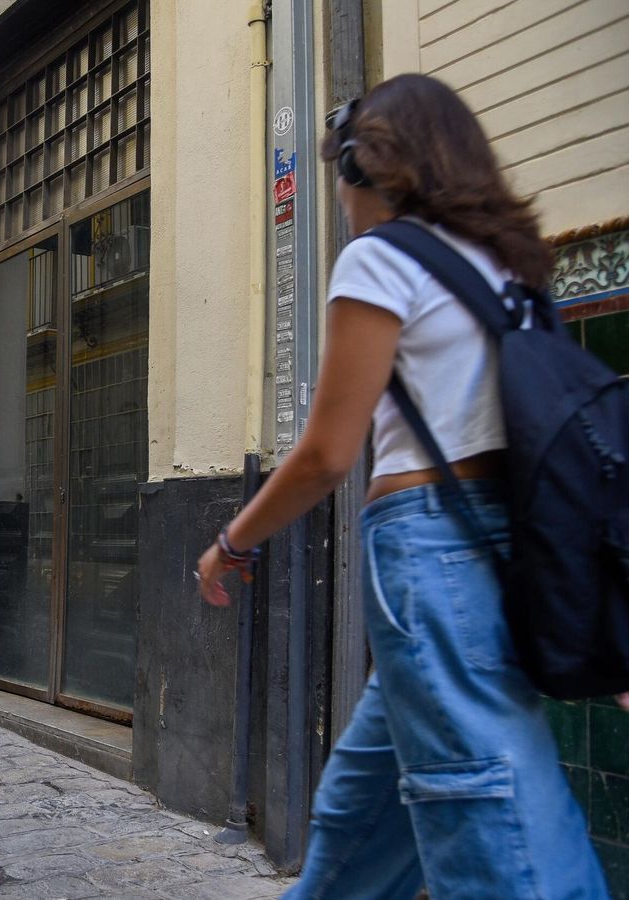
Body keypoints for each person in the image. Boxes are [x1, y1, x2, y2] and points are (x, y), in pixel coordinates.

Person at [195, 74, 615, 898]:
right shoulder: (509, 271)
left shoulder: (378, 259)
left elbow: (326, 454)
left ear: (366, 167)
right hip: (517, 546)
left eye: (338, 177)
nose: (339, 201)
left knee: (488, 803)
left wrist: (229, 543)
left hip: (432, 550)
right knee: (361, 820)